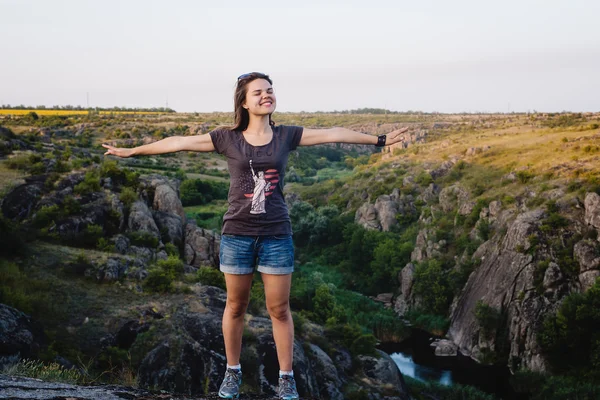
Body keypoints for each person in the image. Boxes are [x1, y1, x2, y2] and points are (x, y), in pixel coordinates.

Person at [103, 72, 407, 400]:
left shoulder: (286, 135)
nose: (267, 95)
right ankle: (232, 372)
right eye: (259, 92)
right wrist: (133, 151)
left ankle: (286, 377)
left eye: (270, 90)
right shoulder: (227, 138)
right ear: (244, 102)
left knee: (279, 309)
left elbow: (332, 133)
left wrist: (378, 140)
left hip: (277, 235)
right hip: (237, 234)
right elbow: (178, 142)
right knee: (235, 306)